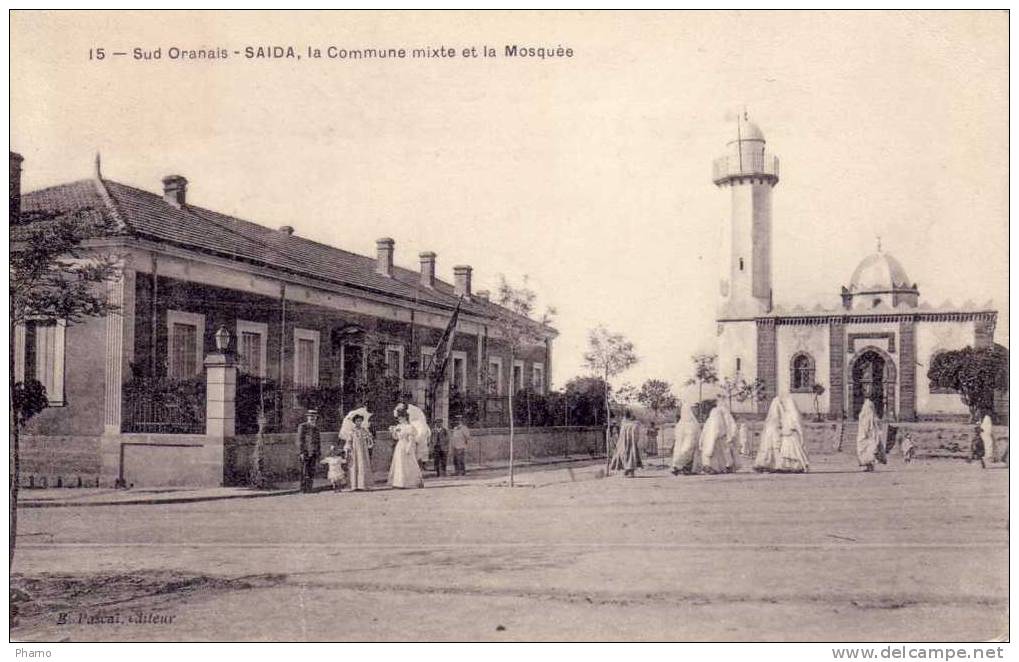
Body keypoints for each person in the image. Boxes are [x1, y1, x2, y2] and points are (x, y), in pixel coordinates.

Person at [755, 395, 809, 473]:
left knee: (787, 451)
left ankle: (782, 465)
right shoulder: (786, 415)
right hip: (783, 435)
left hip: (787, 435)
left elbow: (791, 425)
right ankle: (782, 465)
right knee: (787, 451)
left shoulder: (787, 415)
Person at [389, 405, 424, 489]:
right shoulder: (398, 427)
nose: (400, 419)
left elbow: (411, 439)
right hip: (399, 446)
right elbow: (396, 438)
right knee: (399, 463)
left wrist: (408, 448)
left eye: (401, 418)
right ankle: (399, 482)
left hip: (406, 445)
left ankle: (409, 482)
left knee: (408, 463)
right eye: (399, 418)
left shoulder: (409, 427)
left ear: (405, 418)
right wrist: (393, 432)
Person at [700, 403, 737, 474]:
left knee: (717, 455)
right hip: (717, 440)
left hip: (714, 440)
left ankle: (716, 468)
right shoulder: (718, 420)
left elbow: (706, 432)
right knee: (721, 455)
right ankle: (720, 468)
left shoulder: (711, 420)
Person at [344, 413, 374, 491]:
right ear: (354, 422)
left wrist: (369, 437)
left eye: (360, 421)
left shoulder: (364, 430)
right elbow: (349, 441)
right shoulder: (352, 431)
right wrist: (348, 450)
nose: (359, 422)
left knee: (362, 466)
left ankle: (362, 485)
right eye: (357, 421)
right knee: (354, 466)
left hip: (363, 451)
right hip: (354, 451)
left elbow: (369, 440)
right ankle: (354, 485)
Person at [670, 402, 702, 475]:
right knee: (683, 453)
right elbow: (677, 436)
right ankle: (679, 467)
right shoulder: (681, 424)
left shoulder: (692, 423)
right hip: (680, 444)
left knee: (686, 452)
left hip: (689, 443)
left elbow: (694, 435)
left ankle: (681, 467)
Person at [609, 410, 643, 477]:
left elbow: (635, 433)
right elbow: (634, 434)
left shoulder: (631, 423)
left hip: (628, 442)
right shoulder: (627, 423)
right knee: (627, 454)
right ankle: (627, 470)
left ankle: (629, 471)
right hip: (627, 442)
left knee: (628, 454)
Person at [296, 409, 322, 493]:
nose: (312, 418)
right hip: (305, 452)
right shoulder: (303, 426)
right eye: (310, 416)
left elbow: (318, 442)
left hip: (313, 452)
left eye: (314, 417)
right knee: (304, 471)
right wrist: (301, 452)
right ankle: (303, 489)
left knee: (311, 471)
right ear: (307, 417)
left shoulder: (316, 428)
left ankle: (309, 488)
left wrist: (318, 452)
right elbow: (300, 440)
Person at [856, 398, 884, 472]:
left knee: (869, 451)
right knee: (866, 450)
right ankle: (866, 466)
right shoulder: (865, 415)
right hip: (865, 435)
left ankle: (870, 466)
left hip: (868, 435)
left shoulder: (869, 415)